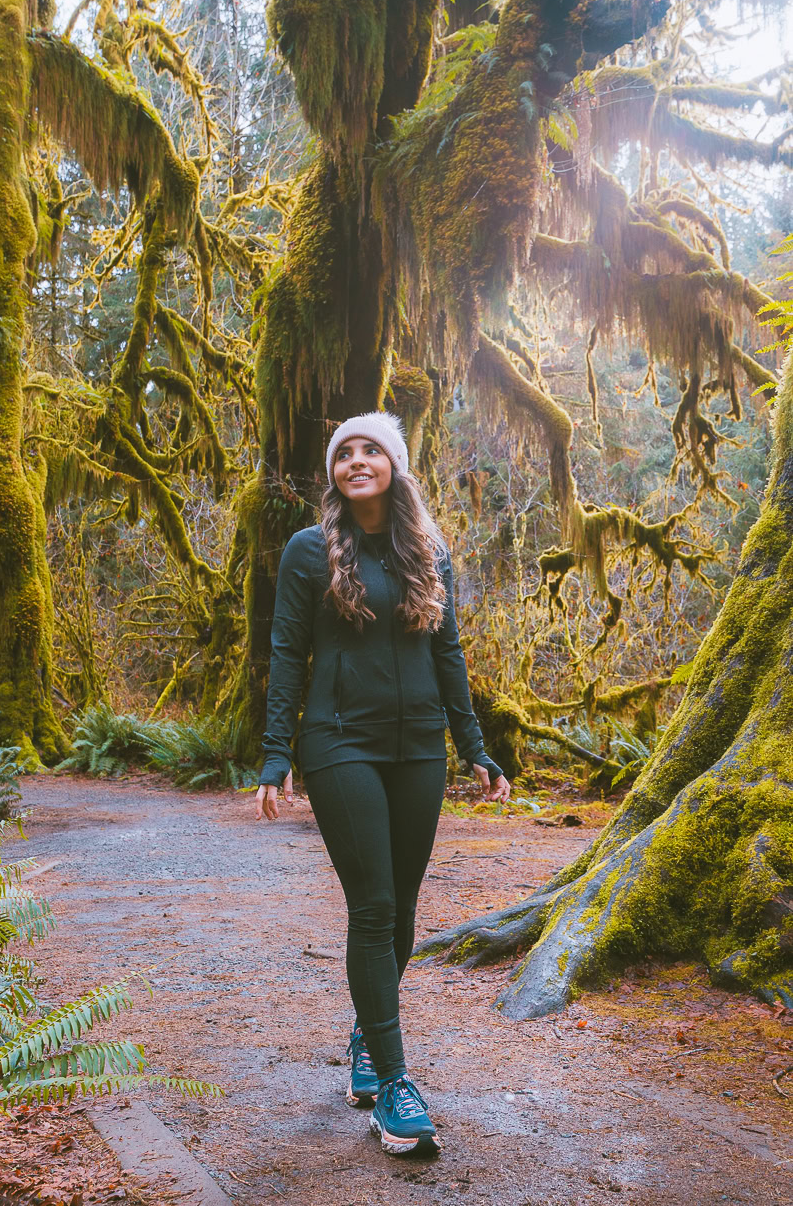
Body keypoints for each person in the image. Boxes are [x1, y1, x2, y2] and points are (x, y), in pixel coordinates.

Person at [254, 411, 511, 1156]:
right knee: (371, 904)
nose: (357, 460)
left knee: (400, 906)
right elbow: (287, 654)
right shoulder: (309, 552)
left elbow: (449, 650)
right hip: (339, 743)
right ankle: (395, 1086)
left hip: (417, 749)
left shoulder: (430, 551)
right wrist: (277, 755)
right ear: (333, 472)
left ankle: (368, 1033)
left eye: (372, 450)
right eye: (345, 452)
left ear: (395, 465)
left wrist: (474, 745)